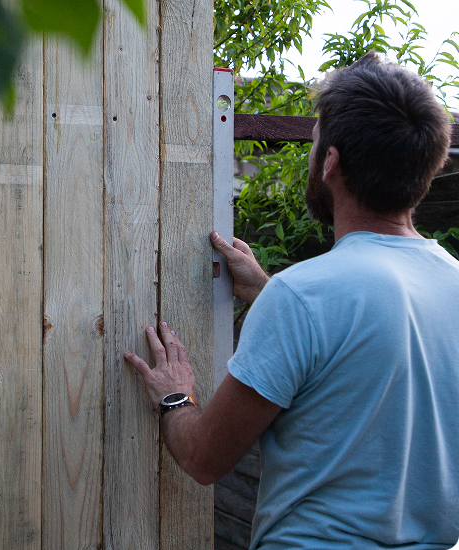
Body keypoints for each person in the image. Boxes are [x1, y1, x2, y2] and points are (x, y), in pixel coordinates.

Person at [124, 51, 459, 549]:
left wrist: (176, 395)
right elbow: (364, 343)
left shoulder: (303, 297)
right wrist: (266, 290)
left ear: (331, 162)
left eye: (315, 143)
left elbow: (203, 458)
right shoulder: (451, 281)